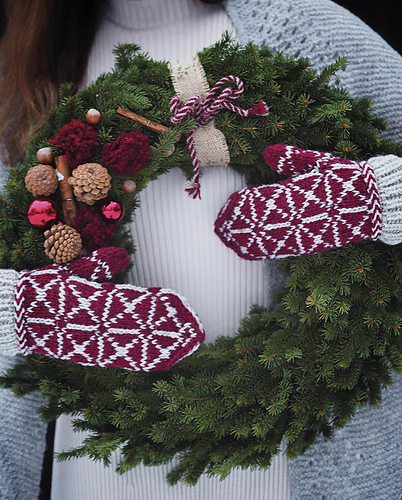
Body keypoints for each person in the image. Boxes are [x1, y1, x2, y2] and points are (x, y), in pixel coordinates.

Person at [1, 0, 402, 498]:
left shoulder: (304, 30)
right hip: (98, 476)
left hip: (289, 473)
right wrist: (19, 310)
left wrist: (380, 197)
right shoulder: (38, 75)